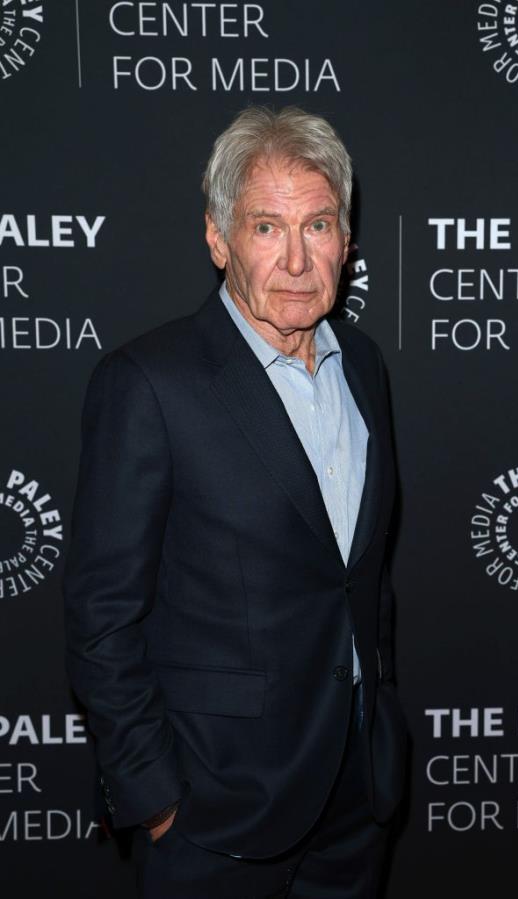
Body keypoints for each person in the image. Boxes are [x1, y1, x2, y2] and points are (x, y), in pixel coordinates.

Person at [63, 106, 407, 898]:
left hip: (357, 794)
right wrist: (156, 799)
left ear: (347, 244)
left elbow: (360, 577)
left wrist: (378, 726)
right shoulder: (150, 383)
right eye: (265, 227)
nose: (295, 257)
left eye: (318, 224)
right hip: (215, 809)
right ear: (218, 240)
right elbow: (100, 614)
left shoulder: (364, 366)